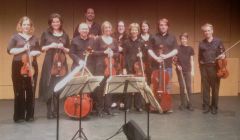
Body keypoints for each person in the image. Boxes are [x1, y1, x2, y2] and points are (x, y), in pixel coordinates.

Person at [7, 16, 41, 122]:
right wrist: (23, 48)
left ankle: (30, 115)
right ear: (20, 26)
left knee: (31, 90)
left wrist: (32, 52)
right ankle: (19, 116)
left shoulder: (34, 38)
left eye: (28, 25)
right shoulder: (15, 37)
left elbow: (39, 51)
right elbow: (10, 50)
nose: (26, 26)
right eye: (24, 24)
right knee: (19, 90)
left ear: (31, 26)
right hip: (18, 65)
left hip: (32, 65)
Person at [39, 13, 70, 119]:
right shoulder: (46, 33)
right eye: (53, 22)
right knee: (49, 87)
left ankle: (56, 111)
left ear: (60, 23)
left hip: (61, 62)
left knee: (58, 86)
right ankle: (49, 112)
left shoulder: (65, 34)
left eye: (58, 21)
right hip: (49, 62)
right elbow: (41, 48)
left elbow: (69, 49)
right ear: (50, 23)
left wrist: (63, 48)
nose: (56, 23)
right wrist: (50, 46)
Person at [148, 18, 178, 113]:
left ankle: (167, 106)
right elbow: (149, 49)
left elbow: (176, 50)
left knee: (167, 86)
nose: (163, 26)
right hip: (155, 66)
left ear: (167, 26)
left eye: (164, 25)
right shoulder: (153, 37)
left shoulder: (172, 37)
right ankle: (155, 106)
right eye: (161, 25)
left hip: (167, 65)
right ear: (158, 26)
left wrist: (166, 56)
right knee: (155, 86)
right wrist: (156, 58)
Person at [92, 21, 119, 116]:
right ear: (103, 29)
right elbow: (93, 52)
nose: (108, 29)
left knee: (109, 87)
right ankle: (99, 109)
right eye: (106, 28)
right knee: (100, 88)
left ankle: (108, 108)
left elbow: (117, 53)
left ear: (111, 29)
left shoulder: (114, 40)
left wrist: (113, 54)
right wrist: (104, 52)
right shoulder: (98, 39)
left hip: (111, 67)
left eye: (109, 28)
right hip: (100, 67)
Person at [198, 23, 225, 115]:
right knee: (205, 89)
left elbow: (223, 53)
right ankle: (206, 106)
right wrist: (201, 69)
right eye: (205, 31)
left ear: (212, 31)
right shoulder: (201, 43)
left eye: (208, 30)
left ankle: (214, 107)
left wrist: (223, 55)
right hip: (204, 68)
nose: (207, 32)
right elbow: (199, 58)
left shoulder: (218, 41)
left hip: (215, 67)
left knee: (215, 88)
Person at [122, 23, 145, 112]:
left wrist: (142, 54)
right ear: (130, 31)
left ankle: (138, 106)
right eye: (132, 30)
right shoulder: (126, 42)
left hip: (138, 67)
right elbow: (124, 55)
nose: (134, 31)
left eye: (136, 30)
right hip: (128, 66)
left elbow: (146, 56)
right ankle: (127, 106)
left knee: (138, 86)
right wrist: (124, 68)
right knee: (128, 86)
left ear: (138, 31)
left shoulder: (141, 42)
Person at [174, 32, 194, 111]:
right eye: (182, 39)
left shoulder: (190, 48)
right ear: (180, 40)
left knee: (188, 87)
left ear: (187, 39)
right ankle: (182, 104)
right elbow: (174, 59)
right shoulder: (177, 48)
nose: (183, 40)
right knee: (182, 87)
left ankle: (190, 104)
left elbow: (192, 60)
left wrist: (192, 71)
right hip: (180, 70)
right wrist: (177, 65)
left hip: (188, 70)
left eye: (185, 39)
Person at [111, 20, 128, 109]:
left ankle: (122, 101)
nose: (120, 27)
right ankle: (114, 101)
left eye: (122, 26)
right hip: (114, 62)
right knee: (115, 81)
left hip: (124, 62)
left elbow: (129, 50)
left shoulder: (127, 37)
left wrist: (122, 49)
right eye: (119, 26)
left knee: (123, 82)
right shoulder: (113, 36)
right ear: (117, 27)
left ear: (124, 27)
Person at [139, 20, 153, 85]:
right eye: (143, 26)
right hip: (141, 61)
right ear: (141, 28)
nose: (144, 28)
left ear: (148, 27)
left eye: (146, 26)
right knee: (141, 78)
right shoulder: (138, 37)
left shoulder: (152, 37)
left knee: (150, 78)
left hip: (150, 62)